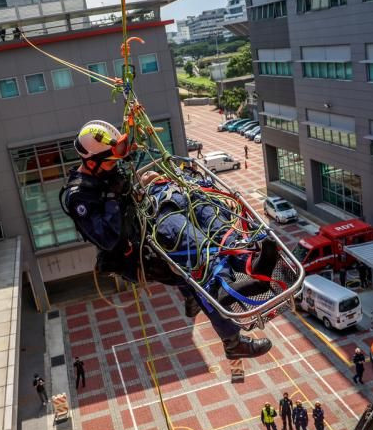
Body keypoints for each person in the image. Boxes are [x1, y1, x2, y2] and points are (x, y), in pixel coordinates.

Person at [61, 120, 274, 359]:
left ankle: (245, 261)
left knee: (195, 204)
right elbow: (110, 239)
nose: (115, 166)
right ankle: (233, 340)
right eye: (110, 162)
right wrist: (112, 196)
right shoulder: (78, 197)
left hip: (145, 218)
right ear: (92, 163)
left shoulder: (103, 172)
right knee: (195, 252)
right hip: (137, 252)